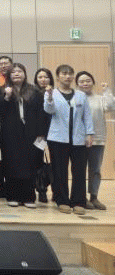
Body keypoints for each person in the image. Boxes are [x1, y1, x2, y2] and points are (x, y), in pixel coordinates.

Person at [44, 64, 94, 215]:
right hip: (58, 138)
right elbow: (49, 110)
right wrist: (50, 97)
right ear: (58, 76)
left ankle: (78, 201)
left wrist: (89, 133)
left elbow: (87, 116)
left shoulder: (80, 95)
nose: (67, 76)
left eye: (70, 74)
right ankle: (62, 200)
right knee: (59, 171)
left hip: (78, 138)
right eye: (64, 74)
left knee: (79, 171)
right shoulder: (51, 93)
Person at [0, 64, 47, 208]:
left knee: (30, 164)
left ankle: (29, 197)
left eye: (20, 71)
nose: (17, 74)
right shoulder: (1, 90)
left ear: (25, 74)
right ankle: (12, 196)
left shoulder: (34, 90)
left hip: (31, 132)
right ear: (9, 75)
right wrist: (7, 97)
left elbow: (41, 112)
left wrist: (41, 133)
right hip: (10, 133)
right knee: (11, 164)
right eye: (13, 72)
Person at [75, 71, 112, 210]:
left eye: (88, 80)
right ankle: (81, 197)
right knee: (80, 169)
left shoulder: (100, 99)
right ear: (77, 84)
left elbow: (111, 107)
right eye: (82, 81)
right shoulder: (75, 98)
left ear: (93, 82)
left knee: (95, 169)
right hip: (79, 140)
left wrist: (107, 91)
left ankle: (94, 197)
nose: (85, 83)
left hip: (97, 139)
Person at [33, 67, 55, 203]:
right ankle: (41, 191)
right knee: (38, 162)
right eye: (40, 77)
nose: (43, 79)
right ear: (36, 79)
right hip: (38, 135)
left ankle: (56, 191)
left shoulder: (56, 93)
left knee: (55, 162)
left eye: (46, 77)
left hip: (54, 133)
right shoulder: (32, 93)